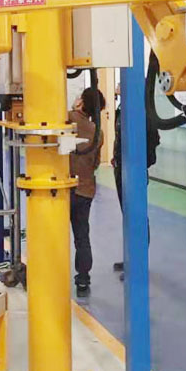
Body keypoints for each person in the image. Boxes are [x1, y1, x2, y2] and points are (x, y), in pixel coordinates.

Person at [112, 83, 160, 278]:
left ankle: (138, 264)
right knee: (128, 216)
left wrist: (140, 163)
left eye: (121, 83)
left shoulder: (142, 110)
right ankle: (130, 259)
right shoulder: (122, 109)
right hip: (121, 169)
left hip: (135, 171)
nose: (117, 85)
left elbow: (153, 138)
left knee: (137, 217)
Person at [68, 86, 107, 296]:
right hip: (85, 189)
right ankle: (83, 279)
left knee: (53, 233)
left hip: (62, 188)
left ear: (81, 101)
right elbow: (96, 163)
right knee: (82, 236)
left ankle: (48, 276)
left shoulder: (66, 119)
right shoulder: (97, 132)